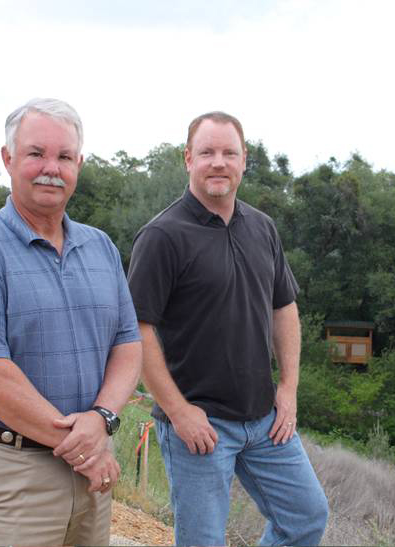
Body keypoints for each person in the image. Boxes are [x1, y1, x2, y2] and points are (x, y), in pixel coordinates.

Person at [0, 98, 142, 546]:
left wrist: (103, 418)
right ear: (8, 159)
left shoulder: (101, 247)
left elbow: (127, 343)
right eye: (36, 154)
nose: (52, 168)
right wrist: (85, 445)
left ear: (79, 164)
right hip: (11, 474)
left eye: (64, 156)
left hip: (89, 473)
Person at [127, 111, 329, 546]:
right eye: (207, 152)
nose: (218, 162)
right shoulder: (162, 236)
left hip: (265, 420)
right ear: (188, 159)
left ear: (243, 161)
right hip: (199, 425)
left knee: (307, 518)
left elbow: (284, 308)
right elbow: (136, 330)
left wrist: (289, 388)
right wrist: (180, 413)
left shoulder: (262, 227)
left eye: (228, 153)